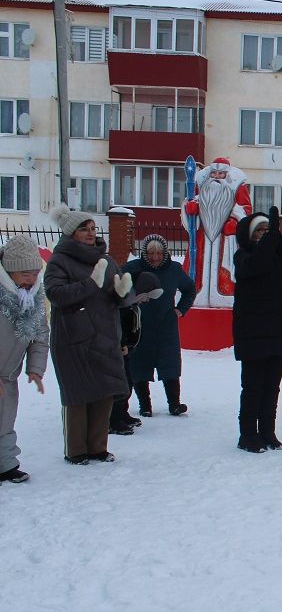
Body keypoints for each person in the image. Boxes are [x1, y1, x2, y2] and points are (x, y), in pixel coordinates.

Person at [43, 204, 136, 464]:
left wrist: (121, 292)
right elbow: (56, 294)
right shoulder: (59, 260)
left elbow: (120, 297)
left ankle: (98, 447)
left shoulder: (105, 260)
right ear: (71, 232)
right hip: (73, 338)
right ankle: (76, 450)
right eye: (83, 229)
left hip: (105, 335)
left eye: (93, 228)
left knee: (103, 392)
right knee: (78, 395)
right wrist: (89, 283)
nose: (90, 233)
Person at [232, 207, 282, 453]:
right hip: (253, 332)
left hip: (277, 331)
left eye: (267, 230)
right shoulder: (243, 257)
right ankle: (248, 435)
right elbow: (259, 263)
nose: (264, 234)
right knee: (253, 387)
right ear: (248, 234)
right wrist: (273, 235)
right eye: (259, 230)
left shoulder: (277, 256)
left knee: (271, 387)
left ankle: (267, 432)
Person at [123, 236, 197, 418]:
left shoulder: (174, 270)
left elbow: (190, 289)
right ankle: (145, 405)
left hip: (166, 325)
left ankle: (174, 404)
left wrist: (180, 310)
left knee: (170, 364)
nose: (155, 257)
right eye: (150, 253)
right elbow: (119, 287)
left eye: (158, 253)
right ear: (144, 254)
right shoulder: (133, 269)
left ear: (165, 253)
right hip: (140, 325)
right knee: (139, 365)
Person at [0, 235, 49, 483]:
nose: (32, 278)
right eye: (25, 273)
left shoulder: (32, 297)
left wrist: (35, 369)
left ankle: (7, 465)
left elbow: (40, 334)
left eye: (35, 272)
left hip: (8, 375)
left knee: (5, 421)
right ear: (10, 272)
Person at [184, 156, 253, 306]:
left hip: (226, 238)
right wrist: (190, 209)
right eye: (213, 174)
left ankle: (226, 294)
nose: (216, 177)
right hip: (202, 236)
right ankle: (195, 292)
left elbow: (246, 210)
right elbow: (192, 204)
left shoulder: (238, 187)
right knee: (198, 265)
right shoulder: (200, 187)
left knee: (225, 269)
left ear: (227, 176)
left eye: (221, 174)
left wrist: (235, 223)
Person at [109, 272, 164, 436]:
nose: (146, 300)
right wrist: (122, 343)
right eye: (146, 296)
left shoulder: (133, 304)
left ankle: (122, 413)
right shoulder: (123, 305)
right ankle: (113, 419)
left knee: (128, 381)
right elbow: (118, 324)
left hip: (127, 347)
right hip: (119, 347)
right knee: (120, 383)